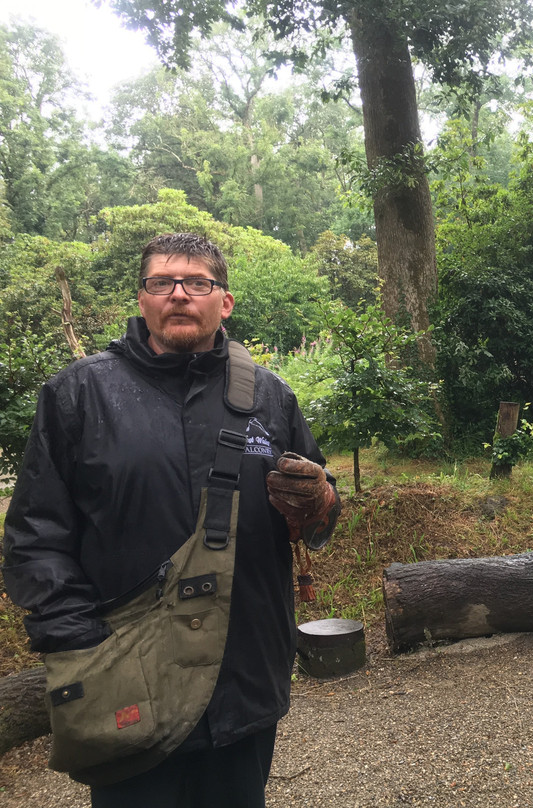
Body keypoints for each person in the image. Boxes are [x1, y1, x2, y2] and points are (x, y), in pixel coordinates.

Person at [3, 233, 340, 807]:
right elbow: (35, 540)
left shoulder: (271, 397)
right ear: (142, 299)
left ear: (224, 301)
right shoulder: (78, 395)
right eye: (162, 282)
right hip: (126, 675)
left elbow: (319, 516)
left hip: (245, 675)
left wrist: (320, 502)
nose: (179, 294)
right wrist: (81, 646)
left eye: (197, 283)